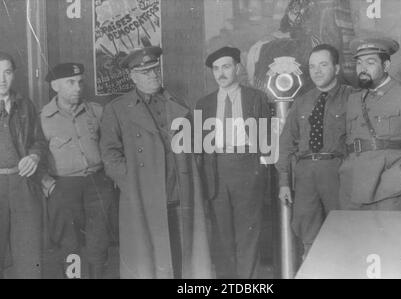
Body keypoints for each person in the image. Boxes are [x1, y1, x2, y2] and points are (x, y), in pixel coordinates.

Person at [100, 46, 211, 279]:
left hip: (181, 193)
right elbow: (110, 156)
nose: (153, 76)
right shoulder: (117, 109)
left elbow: (196, 148)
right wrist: (133, 184)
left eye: (154, 70)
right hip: (145, 196)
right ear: (132, 77)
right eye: (145, 72)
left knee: (185, 255)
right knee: (151, 259)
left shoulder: (177, 103)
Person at [195, 46, 271, 279]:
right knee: (220, 235)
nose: (221, 73)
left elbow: (268, 141)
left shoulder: (256, 98)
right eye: (216, 69)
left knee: (248, 234)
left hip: (248, 167)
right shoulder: (204, 104)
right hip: (216, 170)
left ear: (237, 68)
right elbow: (199, 147)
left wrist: (263, 173)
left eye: (226, 66)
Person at [277, 44, 353, 259]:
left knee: (343, 232)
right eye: (312, 66)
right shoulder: (301, 102)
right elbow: (286, 144)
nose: (317, 71)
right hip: (305, 175)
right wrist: (284, 182)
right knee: (308, 235)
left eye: (323, 65)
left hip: (336, 172)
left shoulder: (352, 96)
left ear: (337, 68)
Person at [339, 37, 401, 211]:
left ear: (386, 66)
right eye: (359, 63)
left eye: (370, 62)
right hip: (353, 189)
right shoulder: (353, 99)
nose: (363, 69)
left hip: (393, 189)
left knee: (395, 238)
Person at [40, 63, 115, 278]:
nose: (77, 87)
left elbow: (111, 145)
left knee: (98, 243)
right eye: (70, 82)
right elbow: (34, 154)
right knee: (68, 244)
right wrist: (49, 185)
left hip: (97, 183)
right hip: (63, 186)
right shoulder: (43, 118)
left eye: (80, 82)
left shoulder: (96, 111)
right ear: (55, 86)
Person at [0, 51, 46, 278]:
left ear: (14, 75)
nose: (1, 79)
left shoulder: (24, 104)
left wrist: (35, 156)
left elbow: (38, 141)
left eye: (7, 72)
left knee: (28, 251)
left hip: (22, 182)